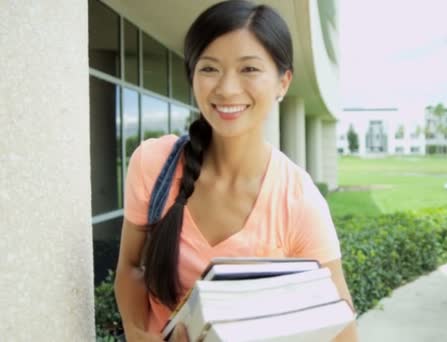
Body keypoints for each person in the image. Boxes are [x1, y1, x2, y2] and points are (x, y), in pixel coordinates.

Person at [113, 0, 358, 341]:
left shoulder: (298, 201)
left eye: (249, 69)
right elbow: (129, 267)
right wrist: (136, 332)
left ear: (283, 82)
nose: (227, 88)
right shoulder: (153, 164)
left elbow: (343, 333)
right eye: (209, 68)